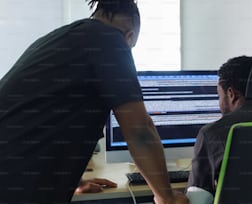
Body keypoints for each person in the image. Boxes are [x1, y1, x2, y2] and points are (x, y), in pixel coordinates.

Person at [0, 0, 188, 203]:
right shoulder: (110, 40)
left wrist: (76, 180)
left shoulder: (62, 38)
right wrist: (166, 197)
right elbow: (140, 131)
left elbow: (50, 118)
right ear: (129, 36)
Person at [186, 56, 252, 204]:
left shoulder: (212, 133)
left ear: (231, 94)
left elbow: (197, 201)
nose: (219, 103)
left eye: (219, 96)